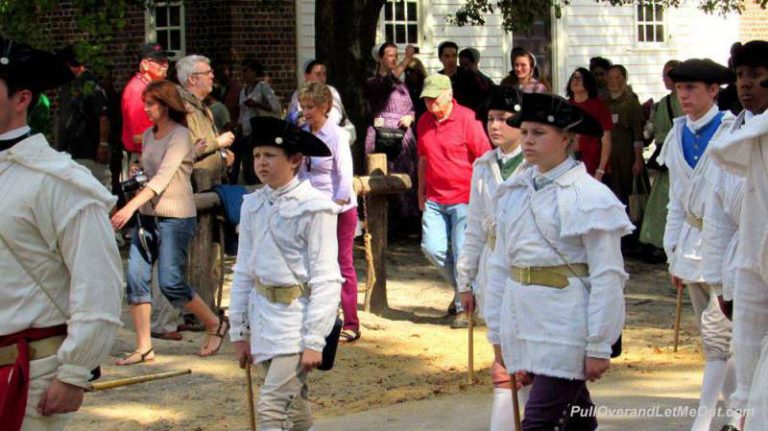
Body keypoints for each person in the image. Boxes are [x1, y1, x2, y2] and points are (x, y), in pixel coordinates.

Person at [485, 92, 631, 430]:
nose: (528, 140)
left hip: (568, 327)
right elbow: (500, 266)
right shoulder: (514, 192)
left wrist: (599, 343)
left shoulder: (591, 197)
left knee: (538, 422)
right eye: (525, 133)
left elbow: (608, 275)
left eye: (539, 133)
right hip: (525, 321)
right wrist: (498, 331)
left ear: (566, 139)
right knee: (578, 418)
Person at [0, 37, 122, 430]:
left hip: (31, 370)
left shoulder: (60, 181)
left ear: (21, 99)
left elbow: (98, 282)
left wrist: (74, 372)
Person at [229, 116, 343, 431]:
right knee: (295, 406)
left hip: (298, 320)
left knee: (271, 407)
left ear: (294, 160)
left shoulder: (315, 207)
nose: (261, 163)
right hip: (264, 318)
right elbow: (243, 271)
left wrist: (314, 339)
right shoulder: (252, 205)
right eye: (256, 156)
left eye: (269, 156)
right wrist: (238, 330)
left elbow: (326, 278)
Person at [110, 80, 230, 364]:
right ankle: (143, 347)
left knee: (171, 281)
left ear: (166, 105)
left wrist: (128, 207)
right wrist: (138, 170)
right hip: (147, 216)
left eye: (151, 103)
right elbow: (150, 171)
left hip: (175, 216)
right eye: (145, 103)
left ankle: (214, 323)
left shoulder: (180, 135)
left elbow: (163, 179)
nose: (146, 109)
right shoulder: (149, 136)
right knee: (136, 279)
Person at [658, 58, 737, 431]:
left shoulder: (729, 131)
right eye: (679, 89)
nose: (684, 96)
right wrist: (671, 251)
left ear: (713, 90)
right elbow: (675, 200)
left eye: (691, 88)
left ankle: (703, 422)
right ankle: (739, 415)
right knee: (714, 341)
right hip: (690, 245)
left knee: (721, 337)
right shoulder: (677, 134)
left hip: (727, 245)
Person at [456, 86, 528, 431]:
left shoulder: (533, 164)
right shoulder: (483, 166)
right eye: (491, 119)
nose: (495, 125)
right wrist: (465, 279)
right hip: (494, 266)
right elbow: (473, 224)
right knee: (501, 354)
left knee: (528, 358)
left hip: (528, 267)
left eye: (503, 118)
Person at [705, 41, 768, 431]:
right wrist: (719, 282)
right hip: (745, 258)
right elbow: (718, 218)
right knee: (744, 352)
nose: (747, 85)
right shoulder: (731, 133)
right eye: (742, 76)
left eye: (757, 76)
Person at [417, 74, 491, 328]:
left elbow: (485, 158)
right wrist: (421, 193)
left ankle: (464, 308)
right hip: (436, 198)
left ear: (449, 94)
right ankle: (465, 292)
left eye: (434, 98)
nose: (430, 103)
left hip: (465, 198)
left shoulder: (468, 119)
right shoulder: (424, 121)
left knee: (463, 255)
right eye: (426, 99)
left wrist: (484, 196)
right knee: (432, 249)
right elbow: (423, 159)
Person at [298, 82, 360, 343]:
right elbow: (300, 170)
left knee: (341, 263)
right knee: (312, 263)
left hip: (338, 209)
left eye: (311, 107)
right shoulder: (302, 133)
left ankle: (352, 321)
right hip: (311, 207)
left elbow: (344, 174)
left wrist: (337, 202)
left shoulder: (336, 135)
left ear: (325, 107)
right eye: (303, 107)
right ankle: (317, 318)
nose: (307, 112)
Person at [364, 42, 419, 224]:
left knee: (405, 175)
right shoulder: (374, 82)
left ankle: (407, 221)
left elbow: (411, 108)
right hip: (382, 136)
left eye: (396, 55)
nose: (394, 59)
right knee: (383, 175)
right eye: (389, 55)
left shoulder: (402, 86)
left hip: (402, 135)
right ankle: (384, 222)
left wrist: (410, 118)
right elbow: (387, 81)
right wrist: (408, 58)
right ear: (380, 58)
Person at [639, 60, 683, 262]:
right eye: (665, 76)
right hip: (666, 157)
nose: (667, 79)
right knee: (660, 203)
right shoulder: (663, 104)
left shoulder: (684, 100)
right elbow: (655, 130)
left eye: (670, 75)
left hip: (683, 159)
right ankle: (657, 241)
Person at [55, 44, 111, 189]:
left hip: (88, 150)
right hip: (71, 149)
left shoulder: (91, 86)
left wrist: (103, 144)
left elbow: (103, 116)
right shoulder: (69, 85)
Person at [176, 55, 235, 185]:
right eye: (207, 73)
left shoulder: (201, 106)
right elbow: (188, 150)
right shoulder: (183, 108)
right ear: (192, 79)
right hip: (198, 183)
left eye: (211, 72)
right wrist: (218, 142)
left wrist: (223, 156)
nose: (212, 76)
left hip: (211, 180)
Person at [121, 43, 171, 179]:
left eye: (166, 61)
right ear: (145, 64)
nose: (165, 65)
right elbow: (138, 136)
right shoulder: (138, 90)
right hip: (143, 159)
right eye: (160, 62)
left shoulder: (147, 88)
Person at [605, 65, 644, 206]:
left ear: (624, 78)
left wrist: (638, 159)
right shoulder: (603, 103)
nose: (613, 81)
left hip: (627, 154)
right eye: (610, 77)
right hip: (608, 154)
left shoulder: (631, 102)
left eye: (617, 77)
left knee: (627, 194)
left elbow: (637, 133)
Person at [566, 67, 613, 180]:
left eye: (579, 78)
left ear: (588, 82)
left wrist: (601, 169)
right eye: (573, 77)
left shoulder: (599, 107)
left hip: (593, 166)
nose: (575, 80)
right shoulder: (565, 106)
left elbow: (606, 140)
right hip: (569, 166)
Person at [286, 59, 348, 128]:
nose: (322, 78)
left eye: (324, 74)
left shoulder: (330, 92)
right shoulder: (297, 94)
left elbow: (335, 116)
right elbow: (290, 117)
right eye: (318, 74)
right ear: (307, 76)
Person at [455, 47, 495, 114]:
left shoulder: (485, 82)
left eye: (466, 65)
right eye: (461, 65)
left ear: (475, 63)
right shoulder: (456, 78)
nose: (464, 68)